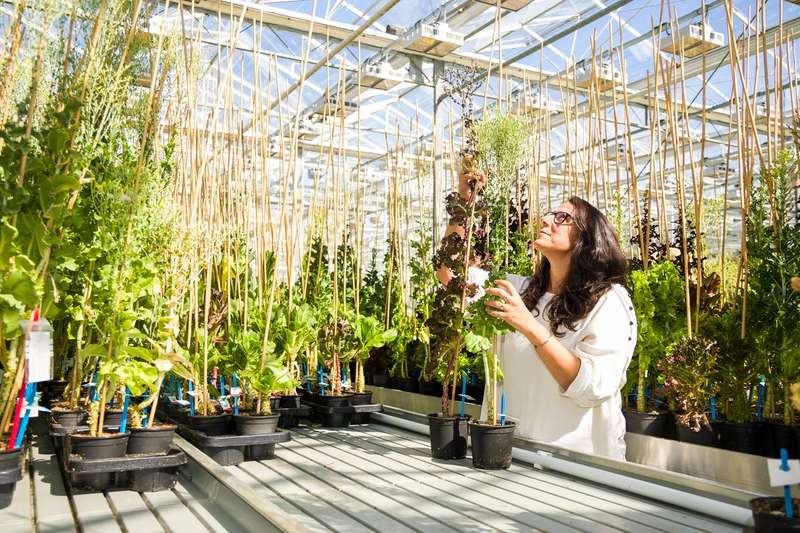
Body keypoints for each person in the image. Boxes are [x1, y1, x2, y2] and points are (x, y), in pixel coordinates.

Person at [435, 168, 637, 460]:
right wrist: (464, 201)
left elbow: (590, 386)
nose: (545, 220)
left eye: (562, 217)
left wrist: (528, 325)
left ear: (588, 239)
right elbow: (450, 274)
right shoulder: (522, 290)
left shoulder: (610, 301)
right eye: (550, 213)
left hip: (582, 468)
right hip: (514, 455)